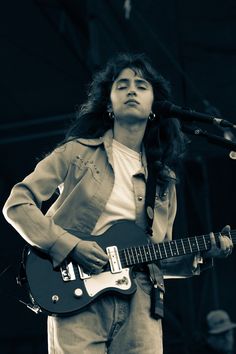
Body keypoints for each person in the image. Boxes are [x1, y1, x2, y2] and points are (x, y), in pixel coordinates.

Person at [2, 53, 233, 354]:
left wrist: (203, 255)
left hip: (142, 303)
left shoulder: (164, 180)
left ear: (154, 106)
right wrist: (70, 245)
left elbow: (159, 254)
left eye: (141, 85)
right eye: (122, 85)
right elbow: (17, 204)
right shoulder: (76, 153)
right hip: (77, 295)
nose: (132, 90)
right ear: (109, 104)